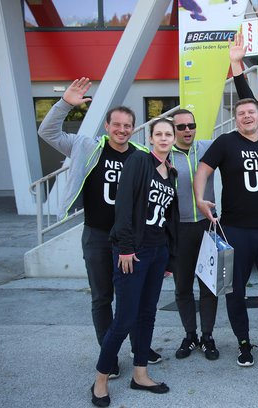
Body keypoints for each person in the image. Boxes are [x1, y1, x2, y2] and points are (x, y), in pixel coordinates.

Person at [37, 78, 160, 379]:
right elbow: (47, 132)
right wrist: (65, 103)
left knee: (132, 297)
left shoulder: (142, 156)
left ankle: (137, 346)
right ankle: (110, 354)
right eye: (116, 125)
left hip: (130, 239)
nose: (121, 130)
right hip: (97, 235)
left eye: (127, 125)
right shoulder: (85, 146)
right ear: (107, 126)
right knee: (102, 297)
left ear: (134, 128)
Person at [193, 98, 258, 367]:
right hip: (236, 230)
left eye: (252, 112)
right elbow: (203, 170)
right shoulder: (225, 142)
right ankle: (244, 342)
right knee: (235, 290)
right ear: (235, 118)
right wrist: (200, 199)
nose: (246, 116)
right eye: (241, 113)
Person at [91, 118, 179, 407]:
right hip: (133, 252)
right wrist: (126, 247)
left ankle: (140, 373)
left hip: (157, 253)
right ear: (151, 138)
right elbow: (124, 204)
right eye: (159, 134)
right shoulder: (138, 161)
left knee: (147, 315)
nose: (164, 138)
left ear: (174, 138)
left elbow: (168, 218)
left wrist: (169, 257)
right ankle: (101, 379)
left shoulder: (171, 171)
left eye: (169, 134)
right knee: (125, 318)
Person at [168, 109, 220, 361]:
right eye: (181, 127)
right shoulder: (163, 153)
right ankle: (190, 335)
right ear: (173, 130)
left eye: (191, 125)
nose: (187, 130)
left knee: (209, 286)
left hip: (207, 226)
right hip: (179, 228)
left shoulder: (208, 147)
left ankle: (208, 336)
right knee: (183, 287)